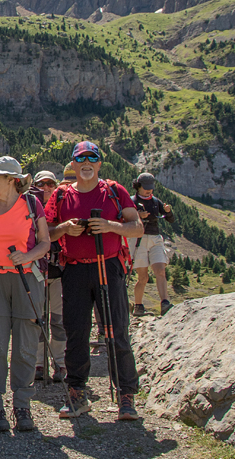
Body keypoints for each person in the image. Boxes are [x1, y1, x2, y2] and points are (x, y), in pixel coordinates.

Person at [46, 141, 144, 420]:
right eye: (81, 159)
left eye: (92, 158)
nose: (87, 163)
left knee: (117, 330)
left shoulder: (114, 191)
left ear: (99, 163)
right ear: (73, 164)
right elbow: (47, 232)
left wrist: (110, 226)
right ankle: (77, 392)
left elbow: (137, 227)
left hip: (108, 266)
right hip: (74, 270)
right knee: (76, 331)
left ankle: (126, 395)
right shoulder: (62, 195)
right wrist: (65, 228)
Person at [0, 156, 51, 432]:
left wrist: (27, 256)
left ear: (12, 180)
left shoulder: (31, 204)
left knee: (26, 343)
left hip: (27, 277)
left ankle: (22, 406)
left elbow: (45, 243)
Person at [31, 169, 66, 384]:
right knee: (37, 320)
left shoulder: (63, 208)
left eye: (50, 184)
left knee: (59, 321)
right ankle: (39, 362)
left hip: (59, 272)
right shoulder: (28, 208)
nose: (46, 188)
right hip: (36, 273)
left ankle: (59, 362)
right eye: (41, 184)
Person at [130, 172, 175, 316]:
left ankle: (165, 302)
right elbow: (124, 219)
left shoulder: (156, 201)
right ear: (138, 186)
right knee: (143, 277)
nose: (149, 190)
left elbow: (170, 219)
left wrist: (168, 212)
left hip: (155, 237)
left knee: (160, 270)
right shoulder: (131, 201)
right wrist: (138, 216)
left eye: (151, 188)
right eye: (146, 188)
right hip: (139, 239)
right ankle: (138, 305)